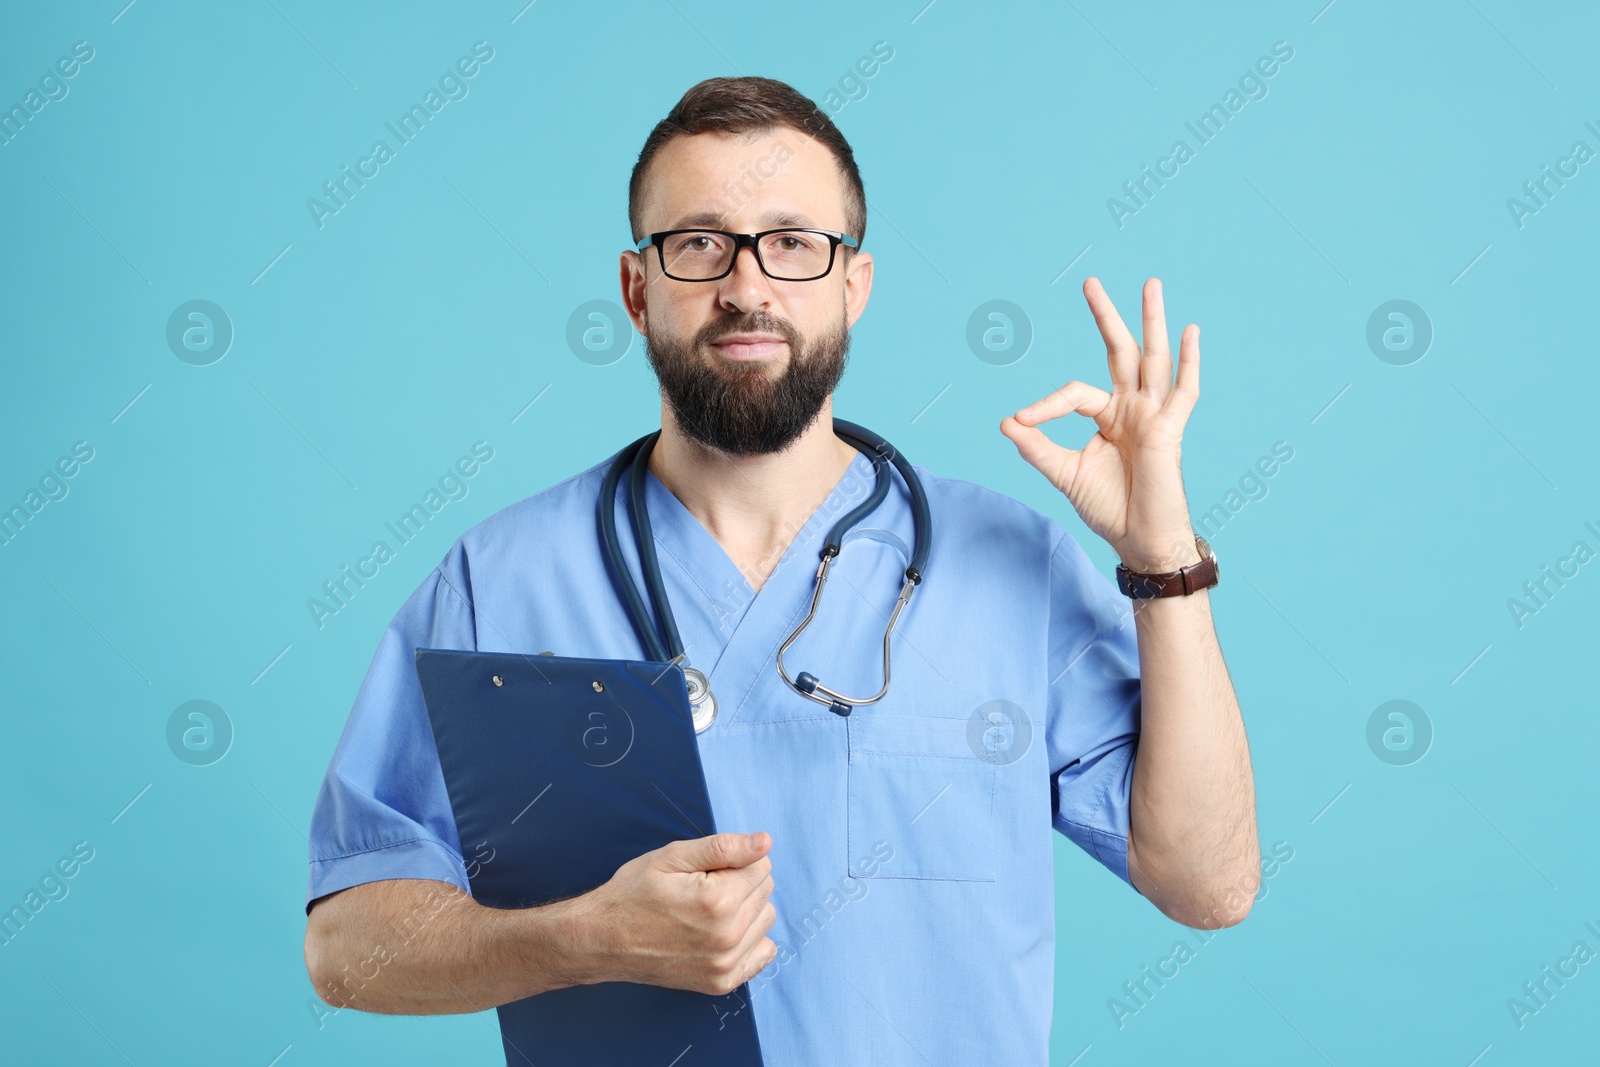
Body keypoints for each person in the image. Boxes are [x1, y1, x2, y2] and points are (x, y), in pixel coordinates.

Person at [303, 75, 1258, 1064]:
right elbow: (344, 947)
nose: (747, 286)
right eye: (699, 243)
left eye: (793, 243)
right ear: (638, 288)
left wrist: (1161, 561)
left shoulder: (1006, 563)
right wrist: (582, 937)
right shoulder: (501, 579)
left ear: (854, 284)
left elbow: (1207, 883)